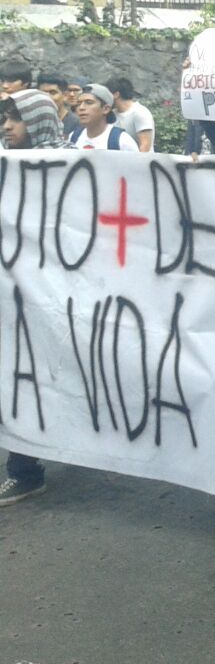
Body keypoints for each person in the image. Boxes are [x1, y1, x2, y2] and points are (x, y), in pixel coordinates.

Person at [0, 89, 75, 506]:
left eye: (15, 118)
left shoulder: (75, 167)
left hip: (60, 298)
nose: (6, 126)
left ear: (40, 120)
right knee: (18, 378)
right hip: (17, 298)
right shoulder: (6, 168)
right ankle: (24, 469)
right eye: (5, 118)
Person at [71, 84, 140, 151]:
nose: (81, 108)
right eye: (79, 104)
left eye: (89, 102)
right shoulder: (74, 137)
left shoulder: (122, 141)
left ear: (106, 109)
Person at [105, 77, 155, 152]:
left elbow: (145, 145)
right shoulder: (113, 114)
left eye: (107, 95)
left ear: (116, 95)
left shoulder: (140, 112)